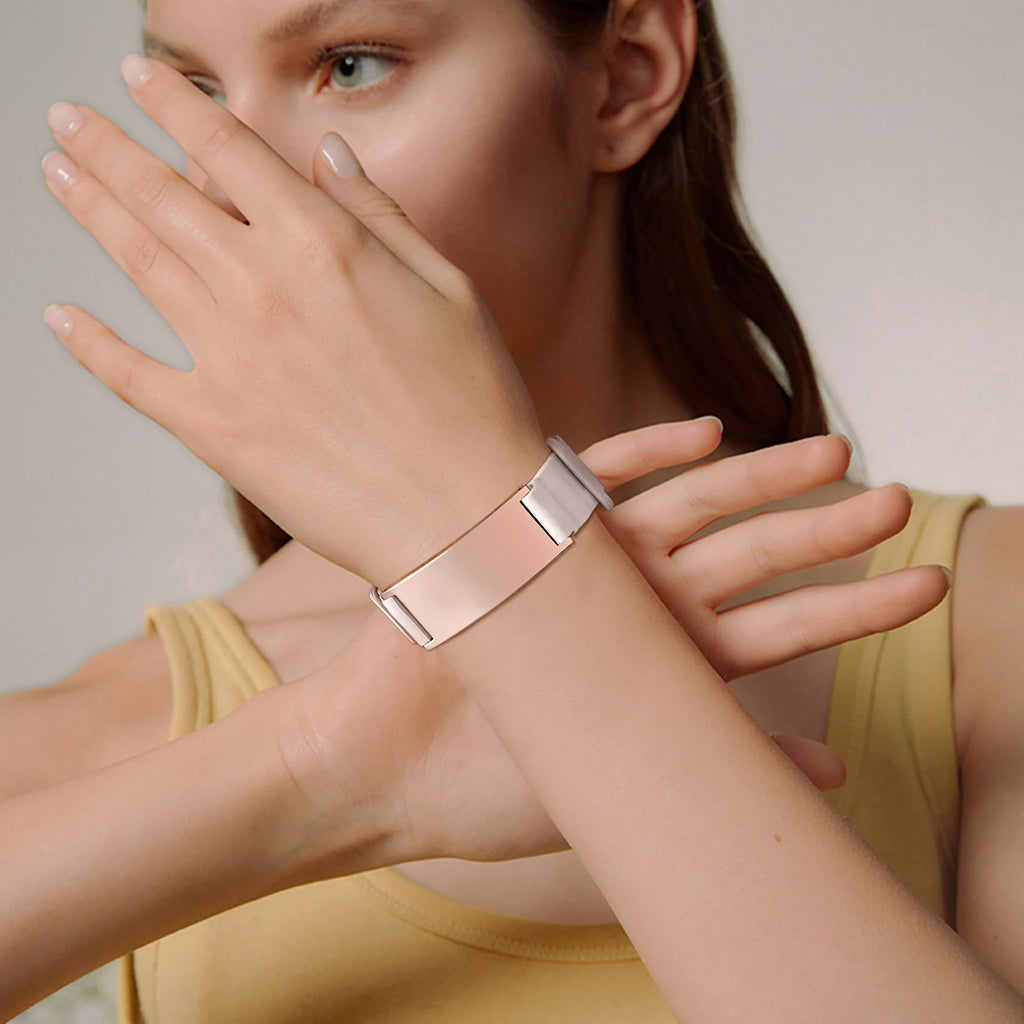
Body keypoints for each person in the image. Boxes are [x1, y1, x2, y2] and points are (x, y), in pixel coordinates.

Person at [4, 0, 1022, 1019]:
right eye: (196, 93)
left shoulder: (984, 631)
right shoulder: (98, 737)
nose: (236, 182)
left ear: (626, 75)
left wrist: (505, 560)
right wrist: (316, 776)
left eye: (350, 66)